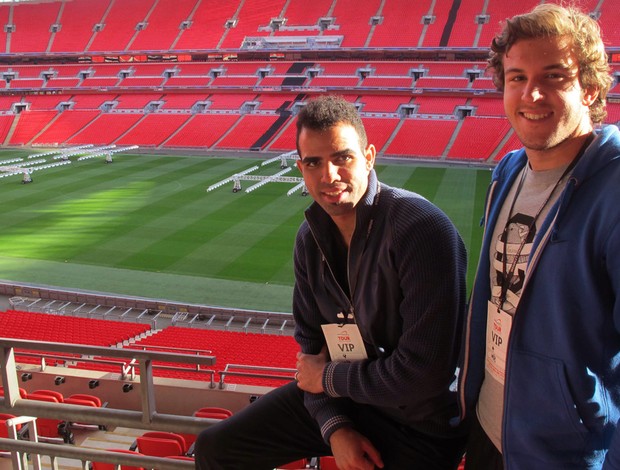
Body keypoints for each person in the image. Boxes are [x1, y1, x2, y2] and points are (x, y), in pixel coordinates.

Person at [194, 95, 468, 469]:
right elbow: (311, 357)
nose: (329, 176)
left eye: (343, 157)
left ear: (369, 157)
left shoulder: (420, 229)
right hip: (348, 402)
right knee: (217, 447)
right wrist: (336, 427)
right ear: (300, 168)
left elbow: (423, 375)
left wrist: (329, 379)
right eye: (314, 163)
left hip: (420, 426)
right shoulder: (309, 239)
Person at [458, 4, 620, 469]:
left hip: (563, 455)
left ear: (589, 88)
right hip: (490, 430)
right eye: (516, 77)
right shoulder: (507, 171)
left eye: (555, 76)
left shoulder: (613, 191)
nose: (532, 93)